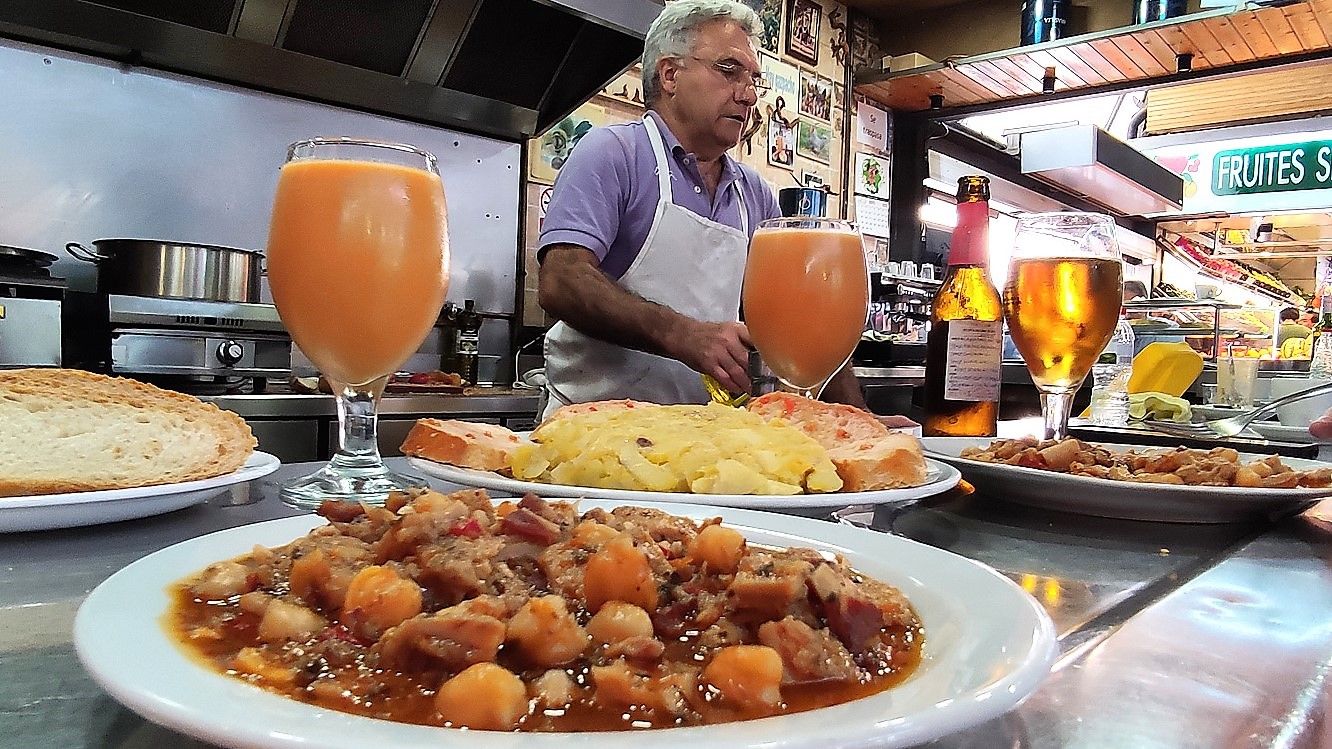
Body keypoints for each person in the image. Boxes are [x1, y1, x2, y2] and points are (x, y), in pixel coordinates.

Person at [536, 0, 867, 419]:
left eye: (754, 80)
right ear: (670, 74)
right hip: (589, 430)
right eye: (729, 71)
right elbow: (561, 280)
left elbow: (808, 318)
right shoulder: (613, 153)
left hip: (704, 439)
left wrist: (860, 421)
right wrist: (683, 335)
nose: (748, 95)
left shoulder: (755, 195)